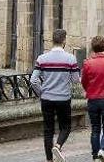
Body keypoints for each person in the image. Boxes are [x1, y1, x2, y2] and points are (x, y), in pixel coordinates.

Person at [30, 29, 80, 162]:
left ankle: (49, 160)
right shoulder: (70, 58)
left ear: (53, 40)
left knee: (48, 130)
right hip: (63, 98)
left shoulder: (42, 59)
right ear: (64, 40)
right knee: (65, 126)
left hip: (47, 99)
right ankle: (58, 145)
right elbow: (76, 80)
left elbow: (33, 80)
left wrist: (42, 92)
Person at [81, 35, 104, 162]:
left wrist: (89, 90)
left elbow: (84, 81)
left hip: (92, 99)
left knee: (95, 128)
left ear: (92, 48)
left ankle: (95, 155)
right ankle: (103, 150)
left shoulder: (87, 63)